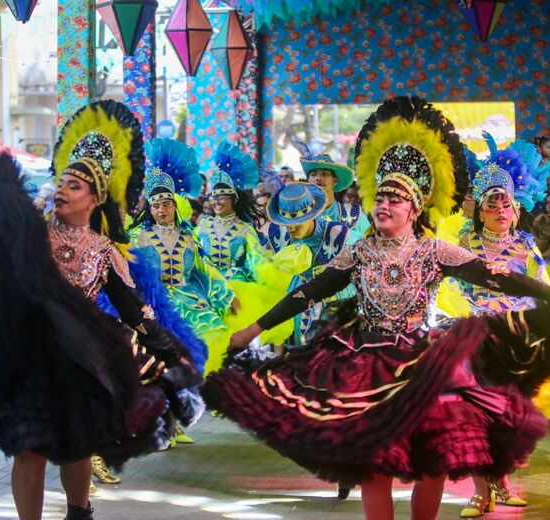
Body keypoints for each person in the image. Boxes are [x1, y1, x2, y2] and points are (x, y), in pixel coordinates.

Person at [204, 96, 550, 520]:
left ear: (415, 208)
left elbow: (500, 277)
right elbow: (308, 292)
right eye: (379, 197)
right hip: (364, 362)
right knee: (373, 465)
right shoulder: (359, 252)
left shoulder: (436, 250)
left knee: (432, 459)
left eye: (395, 198)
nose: (383, 204)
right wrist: (253, 328)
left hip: (425, 362)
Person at [0, 101, 203, 520]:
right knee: (29, 449)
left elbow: (134, 310)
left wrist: (174, 356)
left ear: (95, 200)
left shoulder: (103, 252)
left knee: (75, 446)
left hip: (77, 362)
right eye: (61, 181)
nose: (63, 189)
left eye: (76, 185)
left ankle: (79, 513)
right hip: (27, 355)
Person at [440, 135, 550, 516]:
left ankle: (501, 485)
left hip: (516, 342)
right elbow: (446, 287)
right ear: (480, 211)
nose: (501, 208)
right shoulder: (462, 243)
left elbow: (543, 290)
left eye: (507, 202)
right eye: (492, 202)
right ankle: (480, 491)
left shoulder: (526, 247)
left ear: (517, 210)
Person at [129, 138, 236, 376]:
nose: (161, 210)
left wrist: (228, 294)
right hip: (153, 302)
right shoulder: (137, 236)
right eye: (156, 206)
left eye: (166, 204)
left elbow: (205, 268)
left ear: (175, 206)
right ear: (150, 209)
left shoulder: (189, 236)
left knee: (212, 336)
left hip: (189, 298)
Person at [195, 142, 296, 353]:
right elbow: (195, 258)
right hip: (207, 290)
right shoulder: (202, 225)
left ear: (234, 199)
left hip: (239, 292)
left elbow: (256, 261)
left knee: (233, 350)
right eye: (214, 195)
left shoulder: (244, 229)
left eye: (223, 196)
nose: (217, 201)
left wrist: (279, 277)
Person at [267, 182, 356, 346]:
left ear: (312, 215)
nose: (291, 228)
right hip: (297, 299)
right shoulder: (278, 234)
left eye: (298, 221)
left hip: (332, 301)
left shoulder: (337, 233)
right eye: (286, 223)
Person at [295, 142, 370, 238]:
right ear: (308, 181)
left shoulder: (353, 213)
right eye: (313, 174)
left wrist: (343, 234)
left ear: (334, 181)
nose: (318, 178)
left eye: (324, 174)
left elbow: (370, 244)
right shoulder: (298, 214)